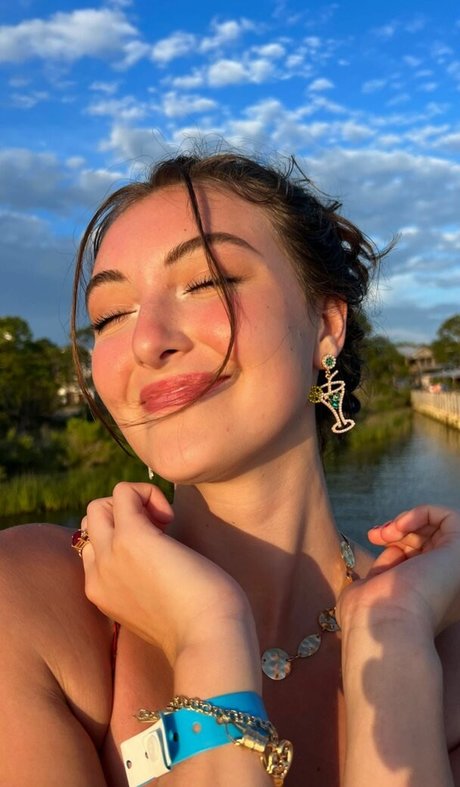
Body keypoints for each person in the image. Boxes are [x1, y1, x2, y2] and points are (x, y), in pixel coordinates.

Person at [1, 150, 459, 787]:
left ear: (325, 326)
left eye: (207, 282)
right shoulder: (28, 600)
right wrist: (207, 637)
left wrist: (396, 639)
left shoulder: (437, 631)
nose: (146, 340)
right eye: (110, 316)